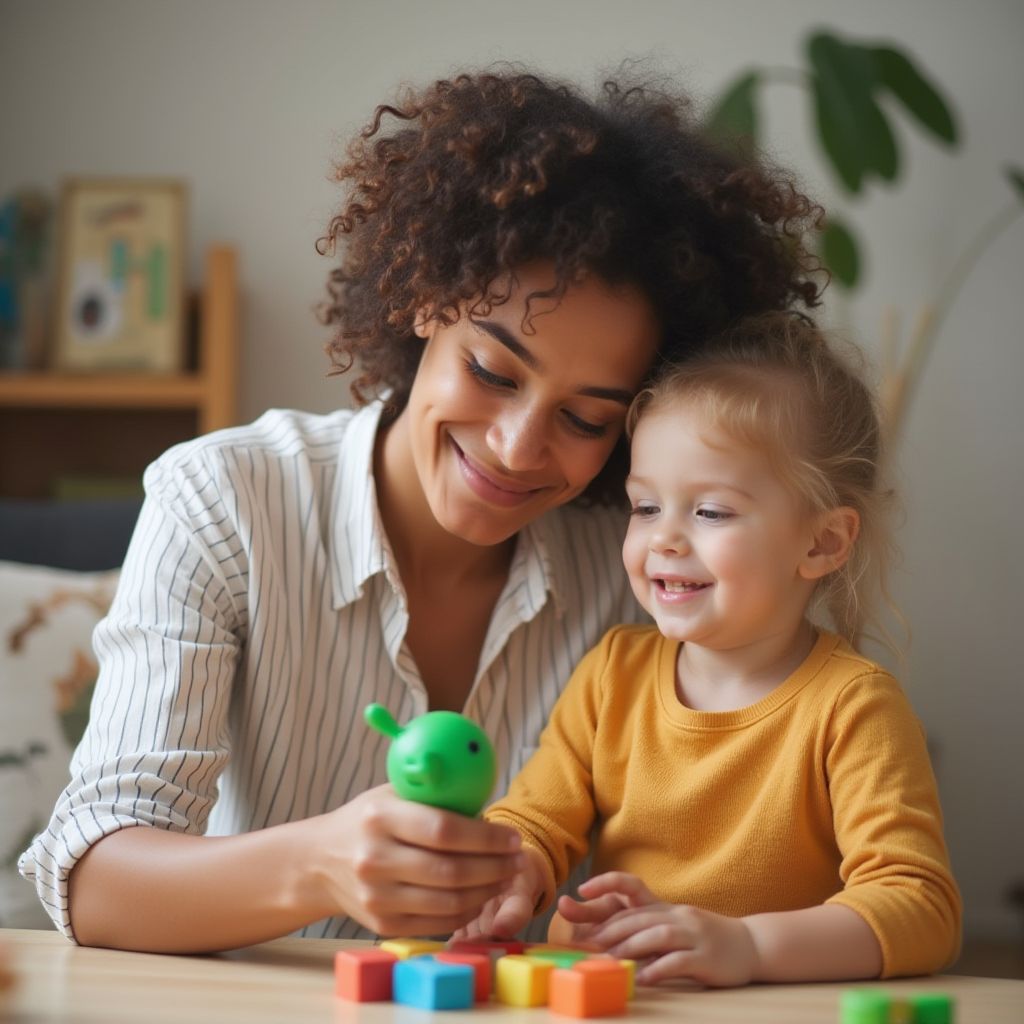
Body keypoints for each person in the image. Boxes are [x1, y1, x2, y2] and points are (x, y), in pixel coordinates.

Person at [19, 70, 823, 953]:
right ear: (425, 300)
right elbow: (94, 882)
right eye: (492, 372)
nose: (519, 447)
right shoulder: (225, 499)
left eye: (587, 418)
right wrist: (316, 865)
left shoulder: (647, 567)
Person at [467, 312, 961, 985]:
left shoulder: (853, 706)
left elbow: (921, 907)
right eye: (645, 507)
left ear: (820, 543)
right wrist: (515, 866)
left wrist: (748, 947)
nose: (664, 539)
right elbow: (535, 816)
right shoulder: (614, 671)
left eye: (711, 512)